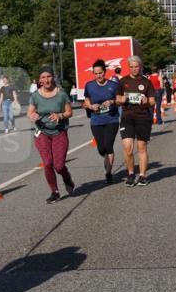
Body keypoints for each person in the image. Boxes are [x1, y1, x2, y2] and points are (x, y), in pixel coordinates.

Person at [28, 66, 75, 203]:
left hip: (59, 132)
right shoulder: (35, 95)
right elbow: (29, 112)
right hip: (42, 132)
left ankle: (67, 178)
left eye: (48, 76)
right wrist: (33, 115)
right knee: (47, 163)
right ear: (40, 80)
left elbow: (69, 112)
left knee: (59, 166)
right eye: (43, 77)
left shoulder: (61, 94)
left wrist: (60, 115)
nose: (46, 80)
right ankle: (54, 191)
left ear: (53, 77)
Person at [115, 56, 156, 186]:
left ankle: (143, 176)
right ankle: (131, 174)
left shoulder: (147, 82)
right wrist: (121, 99)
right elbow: (117, 99)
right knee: (127, 148)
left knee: (141, 148)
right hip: (127, 117)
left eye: (136, 66)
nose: (134, 69)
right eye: (131, 67)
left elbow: (152, 101)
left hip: (142, 117)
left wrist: (146, 101)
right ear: (129, 67)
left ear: (140, 67)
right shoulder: (123, 81)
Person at [83, 59, 121, 184]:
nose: (99, 76)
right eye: (96, 73)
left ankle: (108, 173)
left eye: (101, 73)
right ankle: (105, 156)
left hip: (112, 119)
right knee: (101, 148)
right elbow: (86, 100)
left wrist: (112, 102)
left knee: (108, 146)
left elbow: (120, 100)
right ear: (93, 74)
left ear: (105, 72)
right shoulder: (89, 85)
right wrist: (90, 106)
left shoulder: (113, 85)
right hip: (96, 120)